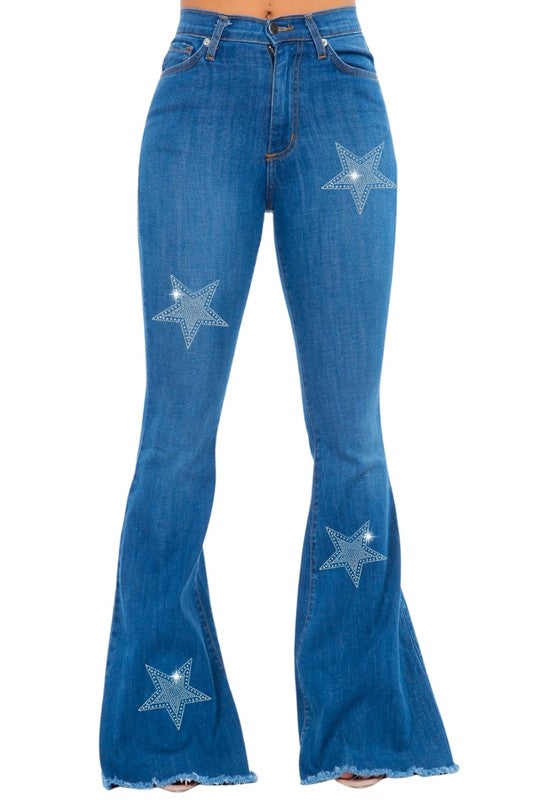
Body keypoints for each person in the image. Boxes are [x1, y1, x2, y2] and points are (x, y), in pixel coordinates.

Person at [98, 0, 460, 792]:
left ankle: (360, 720)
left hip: (338, 76)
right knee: (175, 437)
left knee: (351, 435)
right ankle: (166, 730)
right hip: (202, 78)